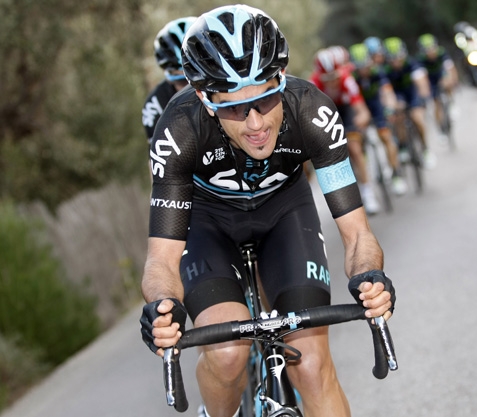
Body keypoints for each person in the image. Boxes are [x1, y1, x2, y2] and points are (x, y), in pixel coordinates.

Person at [138, 5, 396, 417]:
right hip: (208, 221)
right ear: (204, 98)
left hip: (284, 211)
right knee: (226, 354)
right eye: (234, 108)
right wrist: (163, 306)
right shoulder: (178, 130)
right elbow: (161, 260)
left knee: (311, 364)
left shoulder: (312, 111)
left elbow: (358, 235)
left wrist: (370, 277)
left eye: (265, 98)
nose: (256, 123)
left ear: (282, 78)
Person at [310, 46, 382, 214]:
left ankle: (368, 192)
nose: (331, 82)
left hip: (347, 110)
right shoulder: (313, 85)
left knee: (355, 148)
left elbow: (361, 110)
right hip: (326, 113)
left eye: (334, 77)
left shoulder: (347, 80)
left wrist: (361, 119)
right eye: (326, 78)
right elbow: (310, 117)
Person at [348, 42, 407, 195]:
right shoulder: (351, 77)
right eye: (359, 67)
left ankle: (396, 174)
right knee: (356, 141)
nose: (363, 70)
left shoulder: (378, 72)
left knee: (386, 137)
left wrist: (390, 107)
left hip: (377, 105)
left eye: (365, 66)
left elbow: (387, 92)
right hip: (360, 107)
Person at [381, 36, 437, 169]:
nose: (396, 62)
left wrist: (424, 97)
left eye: (398, 57)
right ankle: (403, 145)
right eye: (392, 59)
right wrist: (391, 106)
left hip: (412, 93)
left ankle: (425, 149)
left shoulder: (412, 63)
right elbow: (386, 91)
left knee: (418, 118)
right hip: (397, 95)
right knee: (398, 117)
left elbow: (421, 83)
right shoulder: (384, 70)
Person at [141, 16, 196, 146]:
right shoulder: (154, 106)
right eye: (182, 82)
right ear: (169, 77)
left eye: (196, 78)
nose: (191, 88)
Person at [416, 33, 459, 135]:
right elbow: (421, 77)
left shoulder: (442, 53)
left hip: (441, 74)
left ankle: (451, 103)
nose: (430, 52)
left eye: (432, 48)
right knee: (436, 103)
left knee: (448, 82)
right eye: (427, 50)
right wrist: (424, 90)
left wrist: (453, 80)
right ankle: (441, 128)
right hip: (429, 78)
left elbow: (450, 68)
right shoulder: (420, 59)